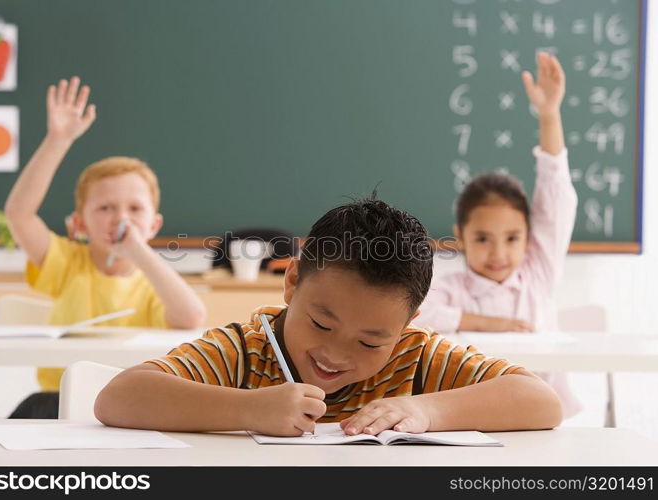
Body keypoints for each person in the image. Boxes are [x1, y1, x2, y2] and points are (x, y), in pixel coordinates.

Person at [94, 196, 562, 436]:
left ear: (410, 322)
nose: (336, 353)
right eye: (321, 323)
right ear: (292, 281)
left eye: (370, 342)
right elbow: (118, 397)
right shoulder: (246, 348)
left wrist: (426, 408)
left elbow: (541, 401)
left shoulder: (415, 356)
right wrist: (247, 410)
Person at [4, 77, 206, 418]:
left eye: (135, 209)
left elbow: (192, 318)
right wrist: (58, 141)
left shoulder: (153, 282)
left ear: (154, 225)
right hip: (59, 400)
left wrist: (139, 252)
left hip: (129, 407)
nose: (120, 218)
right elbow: (18, 214)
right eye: (105, 208)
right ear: (80, 224)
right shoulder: (68, 262)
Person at [414, 52, 581, 418]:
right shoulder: (453, 288)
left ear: (529, 237)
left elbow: (556, 195)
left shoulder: (538, 273)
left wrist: (549, 114)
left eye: (511, 238)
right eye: (483, 238)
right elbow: (413, 316)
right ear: (460, 236)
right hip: (474, 419)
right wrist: (489, 324)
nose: (498, 253)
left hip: (546, 419)